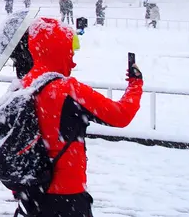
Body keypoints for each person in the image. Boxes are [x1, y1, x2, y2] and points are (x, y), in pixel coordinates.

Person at [13, 18, 142, 216]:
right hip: (67, 197)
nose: (73, 60)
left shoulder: (20, 87)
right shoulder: (68, 90)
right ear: (59, 51)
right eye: (70, 51)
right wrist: (135, 84)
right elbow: (121, 115)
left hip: (30, 195)